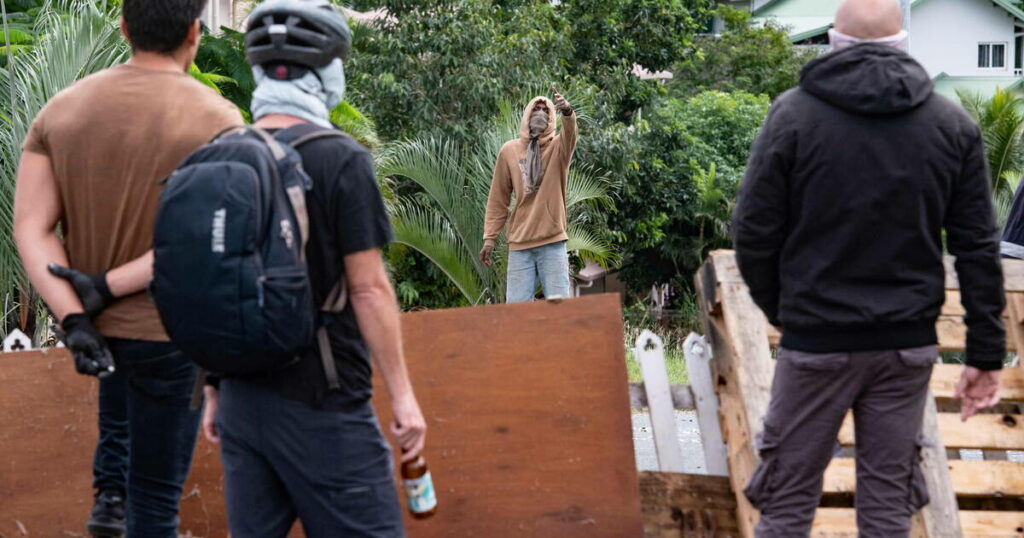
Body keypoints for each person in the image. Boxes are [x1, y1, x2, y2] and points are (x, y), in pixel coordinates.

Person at [51, 1, 427, 536]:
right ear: (324, 72)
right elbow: (368, 290)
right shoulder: (342, 159)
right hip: (325, 403)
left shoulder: (223, 155)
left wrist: (214, 390)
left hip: (242, 408)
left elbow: (210, 278)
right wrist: (405, 399)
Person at [732, 0, 1005, 535]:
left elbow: (753, 232)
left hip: (815, 342)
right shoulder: (950, 123)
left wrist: (786, 312)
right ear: (902, 44)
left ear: (834, 42)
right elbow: (977, 247)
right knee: (887, 509)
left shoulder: (792, 115)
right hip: (904, 348)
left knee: (785, 505)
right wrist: (985, 354)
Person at [13, 0, 243, 536]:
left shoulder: (61, 111)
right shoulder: (220, 121)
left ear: (123, 27)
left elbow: (32, 226)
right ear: (195, 32)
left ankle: (108, 497)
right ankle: (116, 500)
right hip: (172, 334)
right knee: (157, 505)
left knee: (119, 434)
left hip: (97, 332)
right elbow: (208, 242)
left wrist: (75, 316)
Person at [480, 89, 577, 302]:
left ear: (552, 118)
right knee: (517, 315)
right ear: (527, 115)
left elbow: (570, 134)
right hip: (520, 245)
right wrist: (490, 238)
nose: (540, 113)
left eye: (545, 110)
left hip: (552, 242)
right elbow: (499, 198)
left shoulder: (559, 148)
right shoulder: (510, 151)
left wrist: (568, 112)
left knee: (560, 313)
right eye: (536, 109)